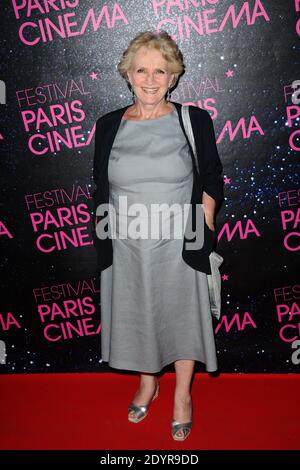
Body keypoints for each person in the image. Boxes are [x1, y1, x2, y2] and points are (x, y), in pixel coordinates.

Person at [92, 30, 224, 441]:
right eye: (142, 70)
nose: (151, 79)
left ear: (173, 77)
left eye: (160, 71)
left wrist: (203, 228)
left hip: (180, 240)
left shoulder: (193, 119)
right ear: (128, 75)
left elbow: (212, 178)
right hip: (128, 243)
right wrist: (105, 242)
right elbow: (99, 186)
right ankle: (148, 381)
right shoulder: (109, 124)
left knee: (183, 318)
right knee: (140, 314)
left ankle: (183, 393)